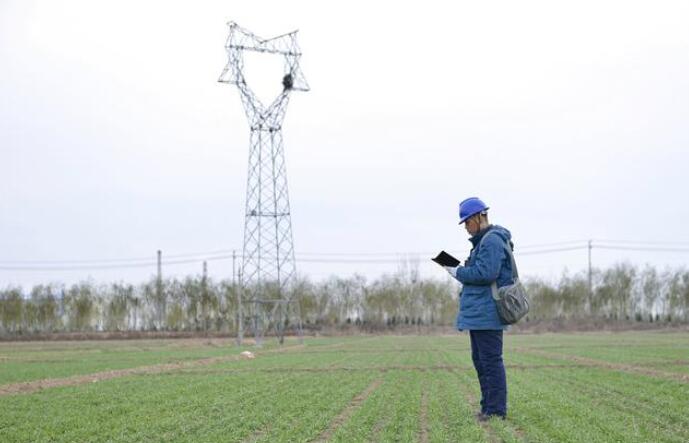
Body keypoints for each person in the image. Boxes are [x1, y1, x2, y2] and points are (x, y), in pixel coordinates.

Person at [444, 197, 514, 421]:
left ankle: (496, 411)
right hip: (480, 313)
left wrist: (457, 272)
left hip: (488, 312)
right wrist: (461, 268)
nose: (466, 227)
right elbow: (480, 269)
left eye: (467, 222)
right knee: (481, 361)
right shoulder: (483, 242)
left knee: (491, 362)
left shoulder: (492, 241)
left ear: (478, 217)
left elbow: (486, 273)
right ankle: (488, 408)